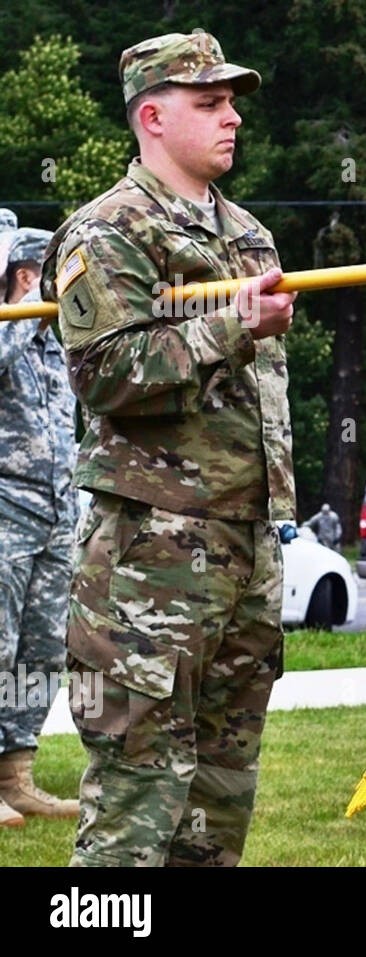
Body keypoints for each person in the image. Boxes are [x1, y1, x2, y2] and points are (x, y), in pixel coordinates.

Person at [41, 30, 296, 866]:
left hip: (245, 546)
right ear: (152, 116)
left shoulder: (249, 234)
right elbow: (106, 373)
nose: (231, 120)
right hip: (152, 554)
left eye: (232, 104)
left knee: (218, 803)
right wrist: (231, 325)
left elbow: (262, 401)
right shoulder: (105, 232)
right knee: (136, 801)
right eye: (209, 103)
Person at [0, 223, 80, 827]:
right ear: (28, 275)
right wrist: (21, 310)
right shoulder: (9, 331)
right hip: (6, 513)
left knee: (43, 651)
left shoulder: (57, 345)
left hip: (56, 516)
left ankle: (16, 776)